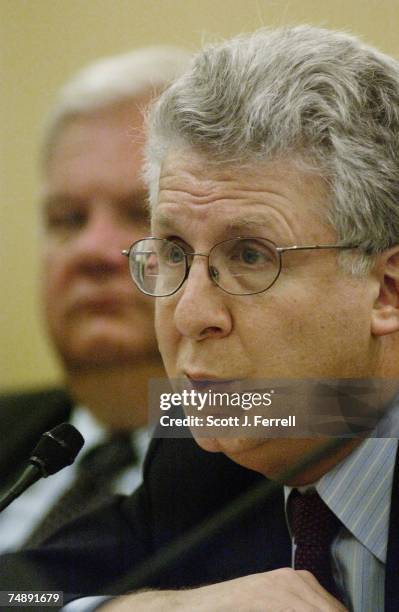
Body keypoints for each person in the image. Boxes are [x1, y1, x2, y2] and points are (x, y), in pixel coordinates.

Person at [1, 24, 399, 612]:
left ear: (387, 291)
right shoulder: (206, 454)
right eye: (175, 253)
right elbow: (18, 589)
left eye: (249, 256)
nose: (189, 313)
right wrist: (154, 609)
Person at [0, 46, 190, 551]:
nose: (91, 250)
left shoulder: (286, 440)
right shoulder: (13, 428)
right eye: (68, 219)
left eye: (139, 213)